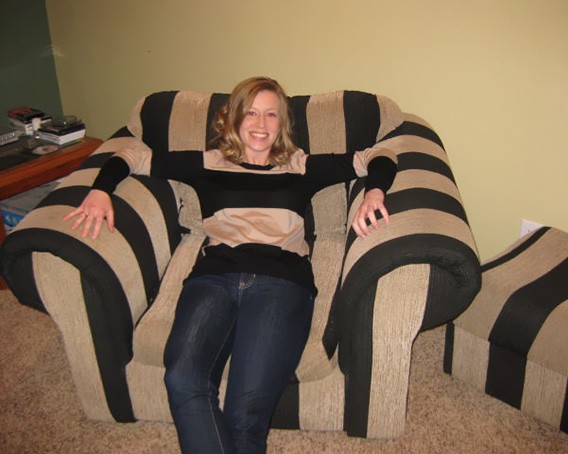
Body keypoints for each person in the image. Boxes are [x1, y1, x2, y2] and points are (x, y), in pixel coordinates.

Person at [64, 77, 397, 453]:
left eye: (271, 115)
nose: (261, 124)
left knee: (245, 413)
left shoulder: (301, 166)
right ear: (234, 118)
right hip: (213, 280)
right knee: (183, 379)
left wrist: (374, 192)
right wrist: (99, 190)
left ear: (283, 123)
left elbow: (379, 155)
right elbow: (130, 155)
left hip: (281, 284)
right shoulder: (208, 163)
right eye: (251, 113)